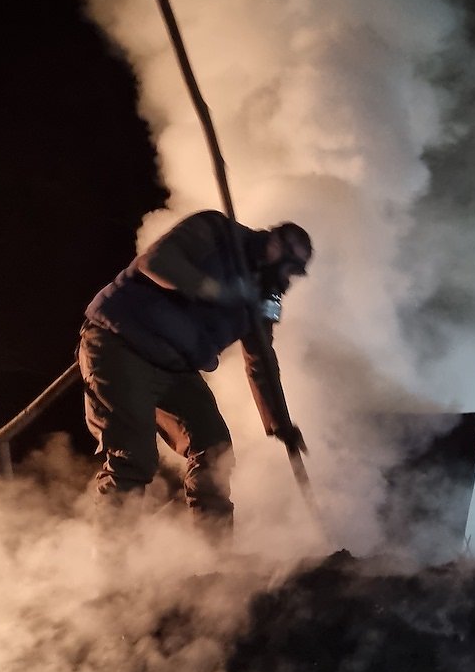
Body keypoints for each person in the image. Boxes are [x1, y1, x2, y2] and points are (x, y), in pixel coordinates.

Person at [78, 209, 312, 539]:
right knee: (133, 455)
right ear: (274, 244)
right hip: (121, 342)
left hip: (176, 366)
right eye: (289, 265)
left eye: (296, 272)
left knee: (215, 450)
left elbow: (261, 359)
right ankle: (111, 559)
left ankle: (214, 554)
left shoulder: (263, 295)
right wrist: (218, 291)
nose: (289, 278)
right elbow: (156, 263)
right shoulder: (216, 231)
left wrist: (280, 423)